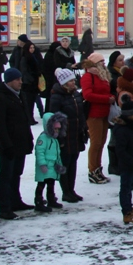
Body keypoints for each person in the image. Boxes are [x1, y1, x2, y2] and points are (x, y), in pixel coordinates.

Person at [0, 68, 34, 219]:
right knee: (6, 176)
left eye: (21, 79)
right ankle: (5, 207)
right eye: (17, 80)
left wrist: (29, 139)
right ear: (9, 81)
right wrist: (6, 145)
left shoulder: (19, 95)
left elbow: (25, 120)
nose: (21, 82)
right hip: (8, 145)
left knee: (17, 173)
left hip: (20, 142)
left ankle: (16, 201)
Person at [46, 68, 85, 203]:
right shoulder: (57, 96)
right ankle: (66, 191)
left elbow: (81, 113)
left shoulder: (75, 94)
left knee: (73, 161)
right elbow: (54, 118)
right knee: (65, 163)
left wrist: (84, 128)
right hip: (66, 135)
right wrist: (59, 136)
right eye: (71, 81)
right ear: (64, 83)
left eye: (74, 80)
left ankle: (71, 190)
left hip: (76, 133)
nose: (74, 83)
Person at [111, 98, 133, 225]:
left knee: (129, 188)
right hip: (128, 165)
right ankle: (126, 213)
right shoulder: (122, 130)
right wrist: (131, 161)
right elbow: (120, 151)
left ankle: (130, 209)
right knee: (125, 189)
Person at [81, 53, 113, 184]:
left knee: (102, 142)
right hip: (94, 114)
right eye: (101, 61)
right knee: (96, 143)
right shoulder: (88, 77)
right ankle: (93, 169)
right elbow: (87, 95)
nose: (104, 64)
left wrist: (111, 97)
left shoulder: (102, 76)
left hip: (104, 113)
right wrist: (106, 99)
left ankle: (98, 169)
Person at [33, 111, 67, 212]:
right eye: (55, 129)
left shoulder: (54, 139)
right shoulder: (43, 138)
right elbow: (39, 152)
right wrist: (42, 164)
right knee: (41, 184)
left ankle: (51, 199)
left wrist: (59, 164)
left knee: (51, 183)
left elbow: (57, 154)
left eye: (58, 129)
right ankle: (38, 201)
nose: (57, 131)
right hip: (45, 166)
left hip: (52, 166)